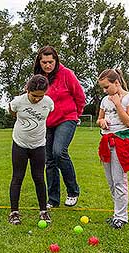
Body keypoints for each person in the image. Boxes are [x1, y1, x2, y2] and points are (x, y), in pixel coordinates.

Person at [33, 46, 86, 208]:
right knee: (49, 160)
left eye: (50, 62)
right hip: (47, 122)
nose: (47, 65)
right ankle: (53, 199)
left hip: (67, 118)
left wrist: (76, 115)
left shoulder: (66, 74)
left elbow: (80, 96)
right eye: (44, 62)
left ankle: (72, 190)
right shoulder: (38, 78)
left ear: (56, 61)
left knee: (59, 151)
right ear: (39, 62)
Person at [8, 74, 54, 225]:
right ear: (28, 90)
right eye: (34, 96)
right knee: (18, 177)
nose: (37, 99)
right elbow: (12, 110)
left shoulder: (48, 103)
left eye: (40, 96)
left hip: (39, 145)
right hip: (20, 144)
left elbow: (49, 114)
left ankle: (43, 211)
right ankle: (14, 212)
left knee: (39, 178)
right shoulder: (18, 101)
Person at [97, 69, 129, 229]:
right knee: (111, 181)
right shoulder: (104, 100)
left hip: (122, 143)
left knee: (120, 180)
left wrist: (117, 103)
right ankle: (117, 214)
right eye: (103, 88)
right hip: (106, 142)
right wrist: (101, 122)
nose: (104, 91)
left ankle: (121, 217)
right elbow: (99, 118)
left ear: (116, 83)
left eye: (106, 87)